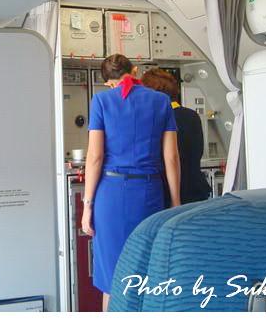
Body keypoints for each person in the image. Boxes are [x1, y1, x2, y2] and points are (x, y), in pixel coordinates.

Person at [81, 54, 181, 311]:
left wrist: (88, 206)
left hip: (111, 194)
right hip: (150, 193)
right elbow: (171, 157)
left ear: (108, 82)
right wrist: (175, 202)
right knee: (148, 272)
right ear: (134, 70)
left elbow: (95, 157)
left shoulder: (101, 100)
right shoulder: (161, 101)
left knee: (112, 277)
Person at [141, 68, 211, 205]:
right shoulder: (192, 116)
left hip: (169, 191)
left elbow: (169, 158)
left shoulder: (156, 119)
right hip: (195, 188)